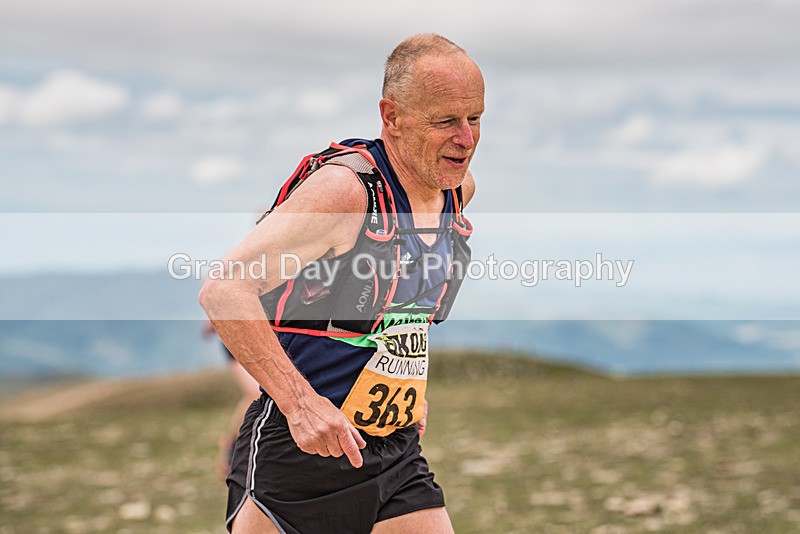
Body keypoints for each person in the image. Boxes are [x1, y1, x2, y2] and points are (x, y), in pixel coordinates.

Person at [199, 33, 484, 534]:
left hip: (394, 448)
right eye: (445, 121)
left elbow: (402, 302)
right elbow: (224, 289)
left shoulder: (456, 191)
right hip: (300, 451)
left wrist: (409, 387)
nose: (466, 139)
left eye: (475, 118)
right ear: (391, 117)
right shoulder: (345, 192)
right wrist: (302, 405)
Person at [202, 319, 262, 480]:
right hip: (236, 336)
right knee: (257, 393)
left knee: (259, 394)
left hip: (262, 335)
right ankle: (232, 446)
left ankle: (236, 445)